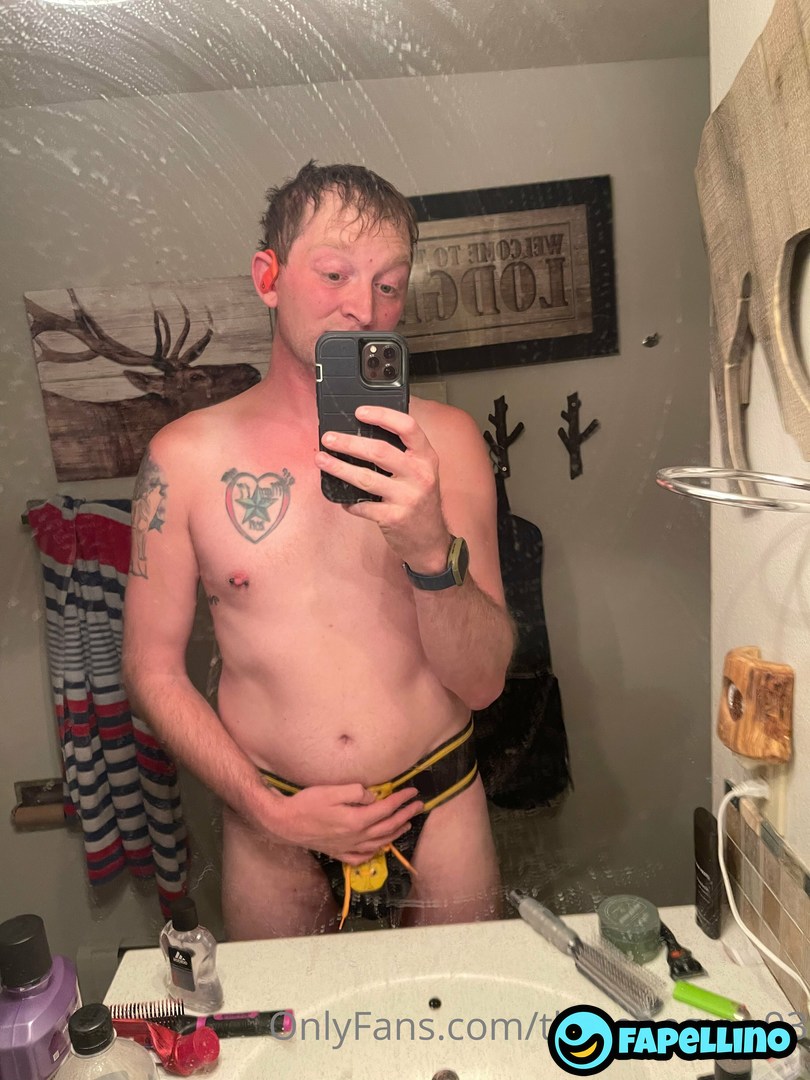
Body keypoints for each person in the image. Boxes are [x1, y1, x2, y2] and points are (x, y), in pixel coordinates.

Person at [122, 161, 515, 939]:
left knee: (464, 1012)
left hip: (438, 803)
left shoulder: (447, 444)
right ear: (268, 278)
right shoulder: (185, 459)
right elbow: (151, 669)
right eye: (334, 273)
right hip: (273, 823)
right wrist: (266, 808)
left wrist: (430, 552)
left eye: (389, 284)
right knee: (285, 1021)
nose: (363, 308)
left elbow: (484, 682)